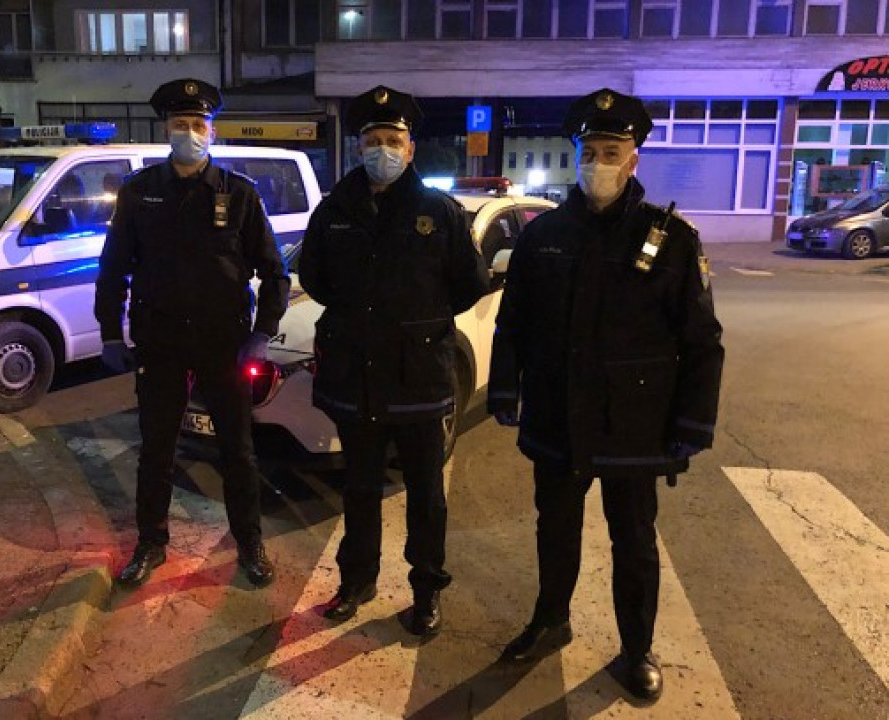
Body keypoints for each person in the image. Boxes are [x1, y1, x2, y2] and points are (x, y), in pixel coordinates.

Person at [487, 88, 724, 700]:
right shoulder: (544, 235)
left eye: (611, 152)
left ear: (633, 159)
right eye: (589, 151)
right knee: (555, 530)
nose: (598, 163)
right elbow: (513, 323)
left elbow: (702, 340)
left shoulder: (671, 239)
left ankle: (637, 647)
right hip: (556, 416)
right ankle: (551, 620)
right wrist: (505, 389)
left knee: (635, 542)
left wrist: (692, 424)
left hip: (633, 424)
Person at [299, 85, 489, 636]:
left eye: (393, 139)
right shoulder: (335, 210)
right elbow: (315, 278)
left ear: (410, 149)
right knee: (359, 489)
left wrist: (419, 323)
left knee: (425, 496)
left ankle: (426, 591)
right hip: (355, 377)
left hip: (418, 379)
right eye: (372, 139)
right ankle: (356, 581)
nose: (382, 148)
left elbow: (470, 283)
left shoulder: (439, 212)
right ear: (358, 146)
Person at [94, 78, 289, 589]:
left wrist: (263, 333)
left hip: (224, 344)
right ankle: (150, 544)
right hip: (159, 342)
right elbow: (113, 269)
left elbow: (275, 272)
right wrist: (110, 332)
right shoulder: (140, 193)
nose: (190, 133)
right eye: (180, 124)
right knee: (156, 449)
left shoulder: (238, 193)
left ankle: (249, 545)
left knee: (238, 452)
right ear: (166, 129)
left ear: (212, 131)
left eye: (198, 124)